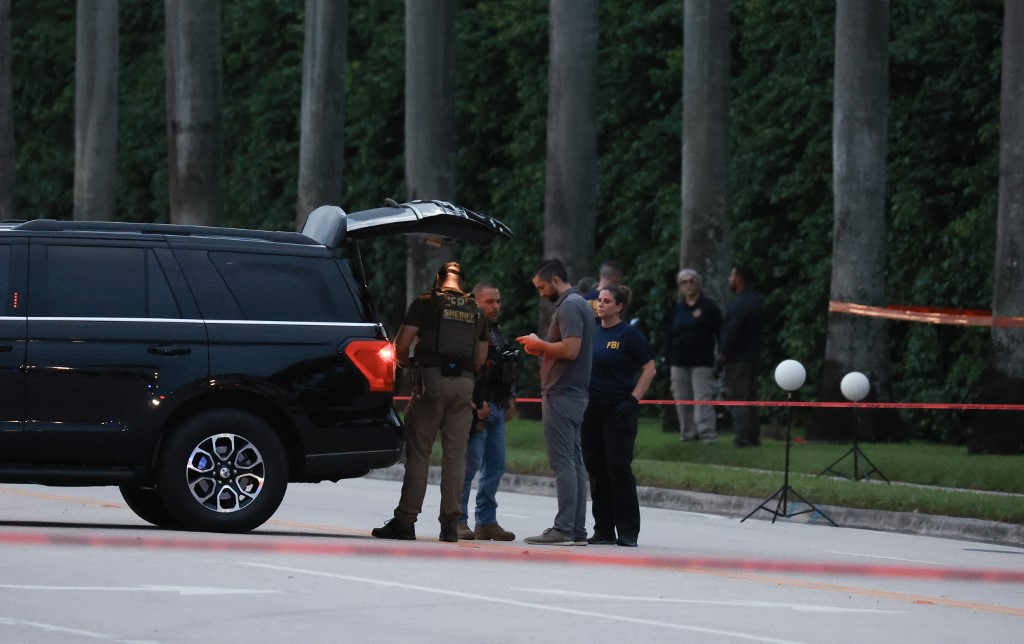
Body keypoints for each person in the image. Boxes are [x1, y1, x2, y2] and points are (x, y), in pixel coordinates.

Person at [372, 261, 489, 542]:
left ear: (438, 278)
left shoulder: (425, 302)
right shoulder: (476, 310)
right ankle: (450, 524)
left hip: (430, 383)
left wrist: (406, 364)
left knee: (419, 453)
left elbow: (402, 344)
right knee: (455, 455)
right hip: (464, 385)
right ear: (462, 281)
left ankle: (405, 520)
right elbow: (480, 358)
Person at [517, 258, 594, 546]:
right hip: (570, 393)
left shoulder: (571, 306)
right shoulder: (579, 304)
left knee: (563, 462)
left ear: (555, 280)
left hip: (562, 393)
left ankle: (564, 528)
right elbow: (565, 349)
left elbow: (571, 349)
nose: (541, 293)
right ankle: (576, 530)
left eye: (541, 287)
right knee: (573, 462)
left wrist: (540, 345)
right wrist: (543, 350)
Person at [581, 285, 656, 547]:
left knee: (618, 468)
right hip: (591, 410)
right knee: (596, 468)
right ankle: (603, 529)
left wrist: (633, 399)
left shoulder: (629, 334)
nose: (600, 305)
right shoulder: (592, 332)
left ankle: (628, 530)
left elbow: (649, 368)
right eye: (599, 301)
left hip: (618, 410)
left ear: (619, 306)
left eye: (607, 301)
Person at [457, 281, 519, 541]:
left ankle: (486, 521)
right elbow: (465, 368)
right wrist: (474, 402)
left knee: (495, 465)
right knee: (469, 466)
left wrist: (510, 397)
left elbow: (503, 365)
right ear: (475, 301)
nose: (496, 306)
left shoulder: (495, 330)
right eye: (490, 302)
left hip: (497, 404)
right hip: (476, 407)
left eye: (498, 301)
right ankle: (457, 519)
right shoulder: (466, 328)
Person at [664, 268, 723, 444]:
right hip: (678, 361)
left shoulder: (709, 307)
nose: (688, 285)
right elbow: (668, 336)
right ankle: (687, 435)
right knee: (682, 399)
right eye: (684, 282)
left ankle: (707, 436)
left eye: (692, 281)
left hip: (702, 361)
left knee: (703, 398)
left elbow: (720, 332)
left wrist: (721, 357)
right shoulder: (676, 309)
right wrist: (666, 361)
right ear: (679, 287)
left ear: (698, 283)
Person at [716, 265, 765, 448]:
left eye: (731, 275)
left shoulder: (739, 304)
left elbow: (732, 333)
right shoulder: (756, 301)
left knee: (737, 399)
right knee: (751, 398)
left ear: (738, 278)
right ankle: (753, 436)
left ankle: (741, 438)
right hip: (753, 356)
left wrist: (722, 357)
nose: (729, 279)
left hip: (738, 360)